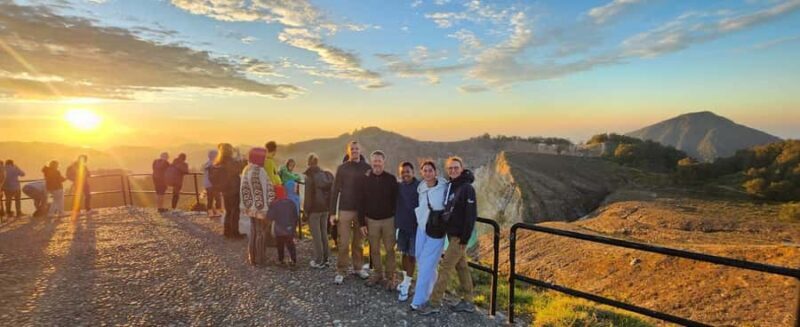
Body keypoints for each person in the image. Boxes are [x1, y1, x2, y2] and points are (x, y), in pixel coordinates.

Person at [420, 156, 478, 315]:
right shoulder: (452, 185)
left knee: (445, 267)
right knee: (462, 267)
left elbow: (471, 215)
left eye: (456, 167)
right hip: (451, 234)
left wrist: (465, 239)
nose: (453, 170)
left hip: (459, 236)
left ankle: (434, 302)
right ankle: (469, 301)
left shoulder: (467, 188)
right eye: (450, 168)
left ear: (461, 168)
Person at [329, 141, 371, 285]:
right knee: (344, 243)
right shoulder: (342, 168)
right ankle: (341, 271)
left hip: (361, 211)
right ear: (348, 151)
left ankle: (358, 268)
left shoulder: (367, 168)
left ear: (360, 150)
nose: (354, 151)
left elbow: (370, 191)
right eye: (352, 149)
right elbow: (335, 190)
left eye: (356, 149)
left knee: (358, 243)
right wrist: (332, 213)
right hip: (345, 209)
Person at [409, 161, 448, 312]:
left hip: (436, 230)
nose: (427, 173)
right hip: (422, 228)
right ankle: (431, 290)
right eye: (425, 170)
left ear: (435, 172)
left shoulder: (443, 187)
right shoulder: (422, 187)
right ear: (422, 172)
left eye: (430, 170)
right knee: (421, 259)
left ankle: (419, 300)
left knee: (426, 265)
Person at [359, 150, 399, 290]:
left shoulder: (391, 179)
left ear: (383, 162)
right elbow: (361, 201)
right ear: (371, 162)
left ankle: (391, 277)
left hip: (389, 220)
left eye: (379, 161)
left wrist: (396, 220)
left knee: (390, 250)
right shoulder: (365, 180)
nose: (377, 163)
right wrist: (362, 223)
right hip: (371, 221)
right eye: (374, 161)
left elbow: (396, 201)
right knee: (374, 250)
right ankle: (378, 274)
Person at [240, 147, 275, 265]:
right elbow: (268, 190)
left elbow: (243, 189)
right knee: (261, 233)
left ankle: (252, 257)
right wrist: (271, 204)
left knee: (253, 231)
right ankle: (260, 258)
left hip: (250, 207)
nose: (264, 159)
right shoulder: (260, 171)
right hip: (261, 208)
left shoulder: (246, 169)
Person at [303, 153, 333, 268]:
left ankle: (318, 260)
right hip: (325, 209)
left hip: (314, 210)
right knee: (324, 233)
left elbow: (308, 197)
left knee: (316, 236)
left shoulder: (309, 176)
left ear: (308, 162)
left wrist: (305, 212)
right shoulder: (324, 174)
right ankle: (326, 259)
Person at [396, 161, 420, 302]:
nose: (405, 174)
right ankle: (405, 281)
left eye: (407, 171)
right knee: (404, 254)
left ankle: (407, 284)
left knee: (411, 256)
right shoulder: (399, 187)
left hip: (415, 228)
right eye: (402, 172)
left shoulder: (419, 186)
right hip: (402, 226)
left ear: (413, 172)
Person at [212, 143, 246, 238]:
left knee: (228, 211)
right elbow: (240, 169)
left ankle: (227, 232)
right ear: (229, 150)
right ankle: (235, 233)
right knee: (235, 211)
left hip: (225, 190)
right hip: (233, 189)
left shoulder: (219, 161)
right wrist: (242, 161)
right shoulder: (230, 161)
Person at [271, 185, 298, 267]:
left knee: (280, 245)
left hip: (279, 229)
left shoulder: (275, 203)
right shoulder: (291, 203)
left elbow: (270, 216)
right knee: (290, 245)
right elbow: (295, 216)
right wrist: (294, 227)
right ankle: (293, 260)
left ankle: (281, 260)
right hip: (289, 228)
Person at [203, 150, 222, 218]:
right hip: (214, 184)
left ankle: (210, 213)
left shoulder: (206, 164)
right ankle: (218, 212)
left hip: (208, 184)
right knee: (218, 198)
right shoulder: (215, 164)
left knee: (210, 199)